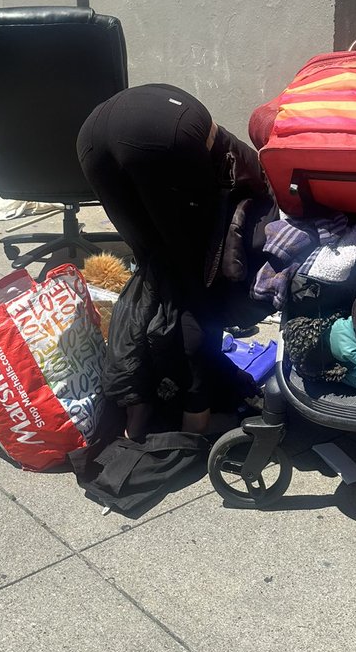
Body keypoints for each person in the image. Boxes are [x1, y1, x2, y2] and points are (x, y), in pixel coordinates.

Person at [77, 83, 274, 439]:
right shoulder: (252, 175)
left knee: (154, 272)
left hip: (91, 136)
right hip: (164, 132)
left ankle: (137, 403)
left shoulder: (226, 157)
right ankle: (195, 417)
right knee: (195, 287)